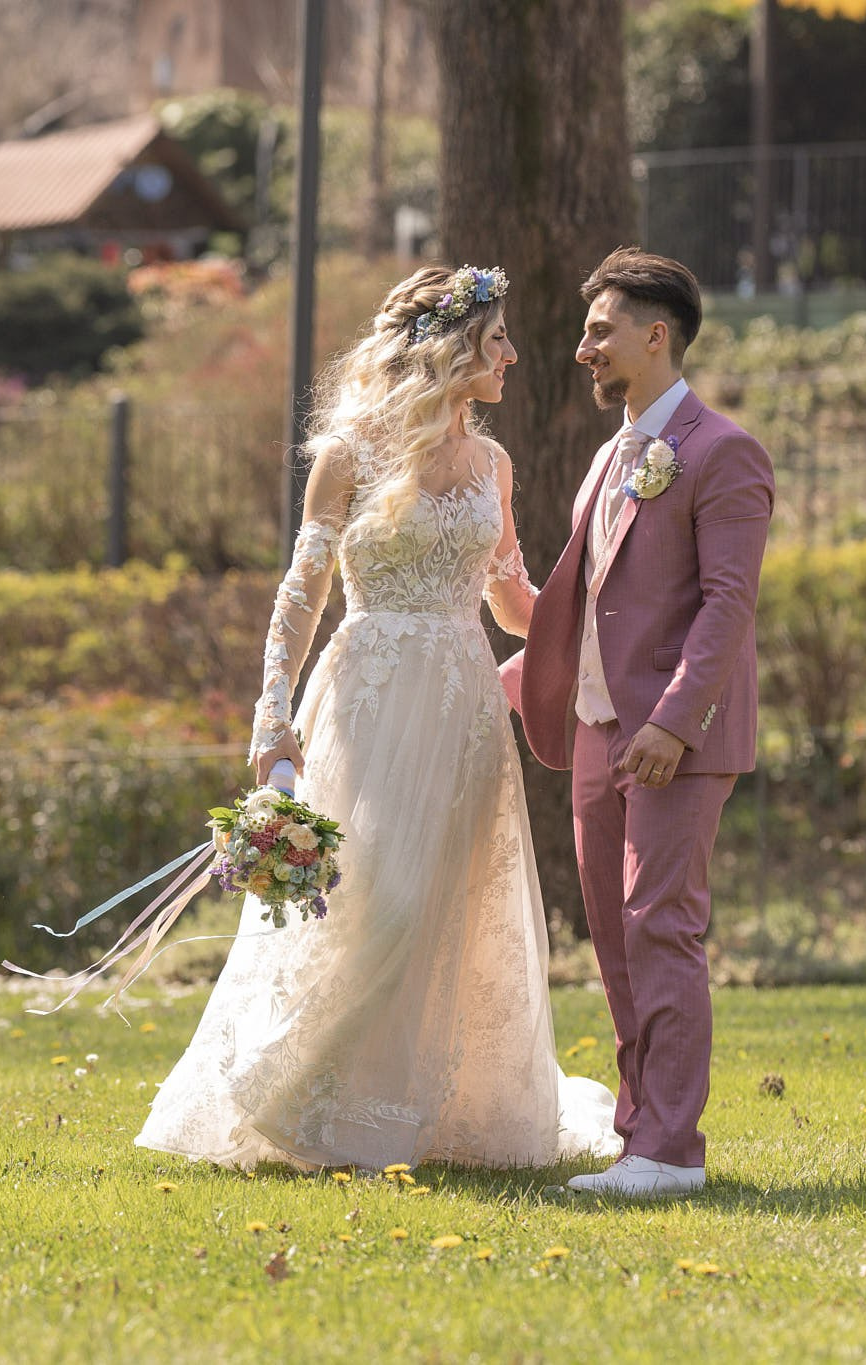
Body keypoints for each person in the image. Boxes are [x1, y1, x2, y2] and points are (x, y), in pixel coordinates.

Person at [136, 264, 621, 1171]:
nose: (513, 355)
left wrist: (593, 596)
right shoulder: (348, 454)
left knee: (445, 903)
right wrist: (270, 715)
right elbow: (302, 589)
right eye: (497, 340)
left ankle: (416, 1110)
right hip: (367, 693)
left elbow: (512, 601)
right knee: (372, 898)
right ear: (451, 351)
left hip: (463, 704)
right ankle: (289, 1088)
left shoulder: (494, 465)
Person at [503, 248, 774, 1199]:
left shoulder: (720, 451)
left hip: (671, 739)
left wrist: (673, 721)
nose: (583, 349)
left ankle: (672, 1150)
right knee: (617, 935)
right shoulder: (608, 458)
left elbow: (726, 606)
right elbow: (585, 606)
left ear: (655, 336)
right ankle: (639, 1139)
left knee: (661, 925)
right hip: (595, 730)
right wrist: (483, 676)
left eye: (600, 330)